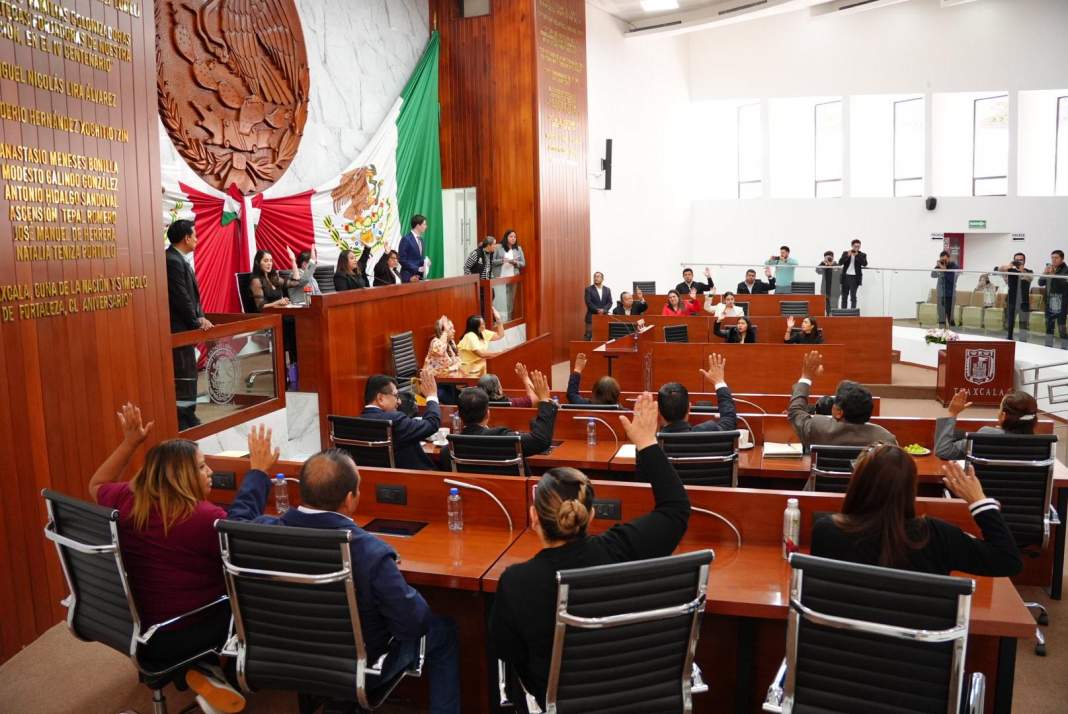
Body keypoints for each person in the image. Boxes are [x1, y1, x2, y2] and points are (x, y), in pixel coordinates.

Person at [489, 393, 690, 709]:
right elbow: (676, 508)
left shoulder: (516, 582)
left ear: (533, 519)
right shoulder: (623, 548)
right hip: (634, 698)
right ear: (591, 515)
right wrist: (647, 443)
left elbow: (508, 652)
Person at [89, 404, 281, 713]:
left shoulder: (127, 501)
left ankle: (203, 671)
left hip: (141, 626)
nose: (211, 472)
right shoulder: (201, 518)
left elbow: (96, 484)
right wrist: (258, 472)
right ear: (181, 476)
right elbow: (240, 534)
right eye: (203, 466)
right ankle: (227, 670)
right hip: (189, 627)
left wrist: (130, 442)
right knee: (261, 593)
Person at [240, 448, 461, 713]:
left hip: (283, 659)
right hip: (359, 669)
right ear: (350, 498)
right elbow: (413, 624)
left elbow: (234, 521)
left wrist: (257, 473)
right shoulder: (369, 552)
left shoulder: (258, 533)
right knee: (442, 629)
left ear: (302, 492)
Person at [811, 445, 1022, 577]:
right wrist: (979, 501)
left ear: (857, 483)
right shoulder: (937, 536)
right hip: (914, 648)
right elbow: (1008, 561)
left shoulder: (826, 530)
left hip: (845, 646)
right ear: (911, 488)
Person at [440, 371, 558, 473]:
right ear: (488, 413)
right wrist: (545, 401)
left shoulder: (448, 451)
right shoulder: (505, 439)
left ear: (459, 416)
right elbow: (541, 440)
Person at [788, 351, 896, 448]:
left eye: (835, 402)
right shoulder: (885, 439)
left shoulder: (818, 428)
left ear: (839, 413)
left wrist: (806, 377)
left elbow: (795, 411)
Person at [165, 220, 212, 430]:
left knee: (189, 372)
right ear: (186, 238)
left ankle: (188, 414)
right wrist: (196, 321)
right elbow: (181, 298)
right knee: (184, 374)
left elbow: (193, 297)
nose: (197, 239)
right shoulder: (172, 260)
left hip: (187, 326)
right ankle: (184, 418)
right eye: (195, 235)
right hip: (178, 328)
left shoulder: (179, 259)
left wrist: (200, 317)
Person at [360, 372, 440, 470]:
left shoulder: (354, 424)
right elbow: (431, 424)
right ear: (380, 398)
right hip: (414, 480)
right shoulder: (395, 420)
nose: (399, 401)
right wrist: (432, 396)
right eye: (396, 396)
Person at [934, 388, 1039, 460]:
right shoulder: (1042, 445)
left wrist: (952, 412)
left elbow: (943, 450)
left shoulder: (986, 435)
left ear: (1003, 416)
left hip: (979, 492)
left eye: (999, 408)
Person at [657, 354, 737, 433]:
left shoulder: (650, 442)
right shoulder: (709, 431)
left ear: (659, 412)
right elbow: (729, 421)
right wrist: (719, 382)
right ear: (689, 408)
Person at [249, 249, 300, 367]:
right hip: (268, 317)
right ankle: (292, 365)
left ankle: (295, 365)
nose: (269, 263)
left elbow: (296, 282)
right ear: (258, 262)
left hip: (280, 314)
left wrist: (293, 261)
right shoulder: (256, 281)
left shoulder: (273, 277)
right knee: (292, 323)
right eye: (265, 261)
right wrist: (279, 302)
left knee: (296, 321)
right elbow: (260, 306)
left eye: (271, 261)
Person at [995, 252, 1033, 340]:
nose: (1019, 262)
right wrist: (1009, 266)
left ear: (1024, 261)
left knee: (1023, 324)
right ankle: (1009, 339)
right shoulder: (1010, 270)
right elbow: (999, 270)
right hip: (1011, 301)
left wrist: (1022, 270)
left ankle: (1023, 342)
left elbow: (1029, 278)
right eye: (1016, 260)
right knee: (1009, 323)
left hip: (1024, 302)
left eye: (1021, 260)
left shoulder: (1029, 271)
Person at [457, 312, 505, 376]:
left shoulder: (483, 332)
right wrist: (499, 353)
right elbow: (481, 354)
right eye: (482, 324)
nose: (484, 324)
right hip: (468, 369)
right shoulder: (470, 336)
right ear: (476, 326)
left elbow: (500, 335)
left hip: (480, 365)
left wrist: (498, 319)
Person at [492, 229, 525, 321]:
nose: (513, 238)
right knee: (500, 300)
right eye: (511, 236)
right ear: (506, 237)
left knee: (510, 300)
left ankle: (508, 320)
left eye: (514, 237)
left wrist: (515, 263)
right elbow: (491, 261)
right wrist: (503, 260)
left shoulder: (518, 249)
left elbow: (523, 263)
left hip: (513, 278)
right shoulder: (498, 247)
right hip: (499, 277)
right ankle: (499, 320)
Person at [1039, 249, 1068, 339]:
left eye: (1056, 258)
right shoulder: (1049, 269)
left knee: (1061, 327)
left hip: (1061, 303)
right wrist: (1045, 273)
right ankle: (1048, 347)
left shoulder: (1066, 270)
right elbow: (1040, 283)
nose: (1053, 260)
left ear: (1062, 259)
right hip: (1049, 302)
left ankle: (1065, 348)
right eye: (1052, 258)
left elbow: (1062, 284)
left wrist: (1052, 274)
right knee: (1049, 327)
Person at [399, 214, 429, 283]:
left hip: (419, 277)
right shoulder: (406, 239)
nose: (426, 227)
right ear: (418, 225)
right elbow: (402, 260)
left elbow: (419, 259)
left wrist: (426, 262)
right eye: (424, 224)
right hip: (408, 277)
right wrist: (417, 268)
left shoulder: (421, 240)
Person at [931, 251, 959, 327]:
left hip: (950, 295)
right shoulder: (940, 266)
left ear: (949, 258)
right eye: (942, 260)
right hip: (940, 294)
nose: (944, 261)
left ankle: (953, 335)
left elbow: (952, 279)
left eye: (945, 260)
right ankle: (941, 334)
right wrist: (937, 266)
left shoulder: (954, 266)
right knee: (941, 317)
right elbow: (933, 275)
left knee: (950, 317)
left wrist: (944, 270)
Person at [838, 239, 867, 310]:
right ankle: (843, 312)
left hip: (855, 278)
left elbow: (864, 264)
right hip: (845, 277)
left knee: (853, 296)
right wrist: (847, 255)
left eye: (858, 246)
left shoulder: (862, 254)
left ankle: (853, 313)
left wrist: (857, 255)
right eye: (855, 246)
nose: (857, 248)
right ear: (852, 246)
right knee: (844, 296)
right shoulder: (846, 253)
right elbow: (840, 262)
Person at [583, 272, 612, 339]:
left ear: (602, 279)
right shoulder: (589, 289)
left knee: (604, 336)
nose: (596, 278)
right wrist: (597, 310)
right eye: (595, 277)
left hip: (604, 316)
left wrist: (604, 310)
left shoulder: (607, 290)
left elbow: (610, 302)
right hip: (591, 317)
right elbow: (588, 302)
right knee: (588, 336)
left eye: (598, 277)